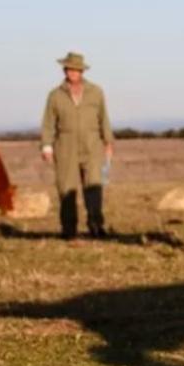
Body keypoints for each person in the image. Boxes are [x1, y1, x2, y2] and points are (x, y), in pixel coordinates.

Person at [40, 51, 114, 239]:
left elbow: (103, 118)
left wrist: (108, 141)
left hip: (92, 145)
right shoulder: (55, 95)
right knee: (66, 188)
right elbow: (48, 122)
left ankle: (96, 225)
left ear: (82, 71)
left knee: (94, 187)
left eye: (76, 69)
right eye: (69, 69)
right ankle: (69, 229)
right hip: (65, 146)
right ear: (64, 70)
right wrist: (46, 146)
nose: (72, 72)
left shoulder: (96, 92)